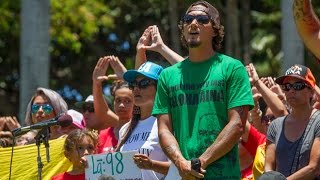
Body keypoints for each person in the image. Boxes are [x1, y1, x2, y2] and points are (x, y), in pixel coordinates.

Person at [152, 1, 254, 179]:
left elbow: (237, 125)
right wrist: (181, 163)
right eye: (188, 19)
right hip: (182, 173)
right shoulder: (167, 76)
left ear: (215, 30)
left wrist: (200, 162)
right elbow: (164, 129)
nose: (193, 23)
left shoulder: (232, 68)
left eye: (202, 19)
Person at [115, 61, 170, 180]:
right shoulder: (125, 129)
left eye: (144, 83)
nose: (136, 89)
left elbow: (180, 166)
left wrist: (152, 165)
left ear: (159, 87)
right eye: (133, 84)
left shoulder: (168, 124)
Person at [264, 64, 320, 179]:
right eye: (287, 86)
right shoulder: (275, 126)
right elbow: (268, 167)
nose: (291, 91)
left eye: (298, 86)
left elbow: (314, 168)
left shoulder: (318, 122)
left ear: (311, 92)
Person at [92, 56, 134, 153]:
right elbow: (103, 112)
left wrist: (127, 78)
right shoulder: (103, 135)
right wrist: (96, 83)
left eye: (127, 101)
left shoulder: (142, 130)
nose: (121, 105)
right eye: (118, 100)